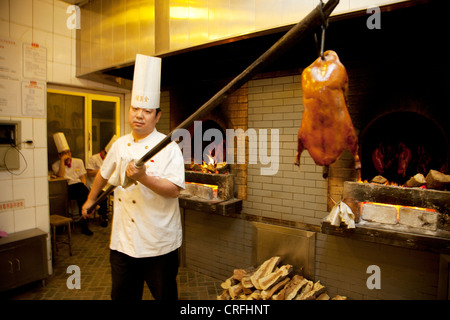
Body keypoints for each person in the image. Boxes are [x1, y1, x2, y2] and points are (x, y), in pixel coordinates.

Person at [82, 54, 185, 300]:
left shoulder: (168, 147)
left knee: (165, 296)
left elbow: (174, 190)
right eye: (135, 109)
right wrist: (90, 199)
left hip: (158, 243)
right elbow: (103, 175)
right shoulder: (120, 144)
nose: (139, 115)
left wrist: (143, 177)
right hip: (123, 243)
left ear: (157, 116)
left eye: (146, 111)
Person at [52, 133, 93, 236]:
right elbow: (61, 176)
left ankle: (84, 225)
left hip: (79, 187)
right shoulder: (55, 165)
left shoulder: (78, 161)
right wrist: (62, 161)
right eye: (64, 153)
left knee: (82, 191)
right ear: (59, 155)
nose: (67, 155)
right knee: (84, 193)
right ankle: (92, 205)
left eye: (68, 152)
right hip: (67, 188)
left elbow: (83, 178)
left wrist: (83, 187)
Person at [86, 136, 117, 227]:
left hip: (110, 185)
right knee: (103, 196)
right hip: (97, 185)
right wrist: (104, 170)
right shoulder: (93, 158)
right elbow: (89, 173)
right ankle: (104, 217)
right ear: (104, 151)